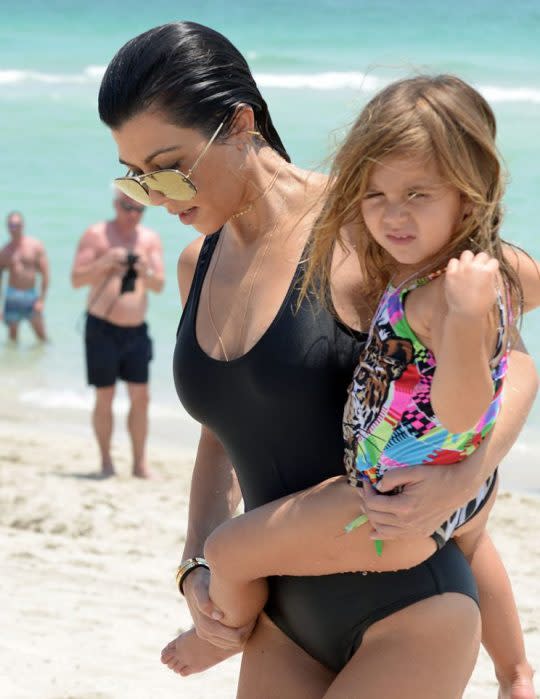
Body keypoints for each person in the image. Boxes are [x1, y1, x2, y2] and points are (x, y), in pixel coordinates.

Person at [98, 23, 538, 698]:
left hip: (410, 605)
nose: (158, 198)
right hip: (285, 620)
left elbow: (513, 357)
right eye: (136, 180)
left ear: (239, 125)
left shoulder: (367, 221)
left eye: (169, 170)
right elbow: (221, 435)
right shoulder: (197, 265)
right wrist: (197, 565)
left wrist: (464, 476)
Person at [70, 190, 165, 478]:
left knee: (141, 397)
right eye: (127, 207)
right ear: (115, 205)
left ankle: (139, 463)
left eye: (139, 209)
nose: (132, 214)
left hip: (136, 331)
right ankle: (106, 461)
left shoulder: (149, 240)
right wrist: (105, 262)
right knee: (105, 396)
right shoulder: (96, 235)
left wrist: (145, 270)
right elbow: (76, 279)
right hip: (101, 328)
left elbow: (159, 285)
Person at [0, 211, 49, 342]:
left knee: (42, 337)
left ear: (23, 225)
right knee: (12, 339)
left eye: (17, 225)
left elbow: (45, 274)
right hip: (12, 296)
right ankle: (12, 363)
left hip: (31, 296)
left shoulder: (35, 246)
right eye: (11, 225)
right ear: (7, 227)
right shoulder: (5, 251)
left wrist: (41, 300)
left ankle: (49, 359)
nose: (14, 229)